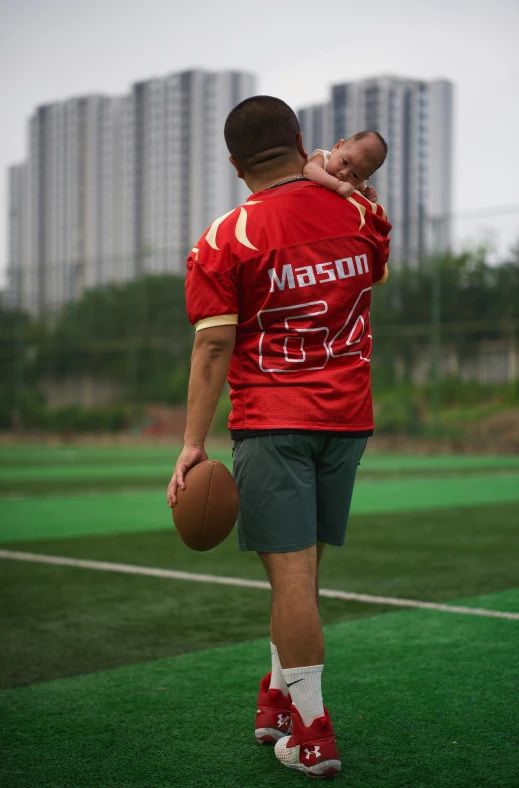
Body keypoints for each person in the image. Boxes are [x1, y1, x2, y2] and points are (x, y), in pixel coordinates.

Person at [167, 96, 391, 779]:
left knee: (290, 577)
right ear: (301, 140)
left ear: (235, 166)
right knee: (302, 572)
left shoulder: (224, 236)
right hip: (347, 419)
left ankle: (314, 732)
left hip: (274, 423)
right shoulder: (363, 212)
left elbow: (212, 351)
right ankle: (275, 699)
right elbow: (370, 272)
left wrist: (190, 445)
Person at [303, 134, 387, 202]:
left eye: (354, 175)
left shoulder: (358, 183)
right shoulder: (323, 158)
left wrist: (368, 194)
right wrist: (337, 185)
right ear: (337, 147)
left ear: (365, 178)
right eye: (345, 162)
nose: (344, 173)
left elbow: (360, 190)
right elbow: (309, 171)